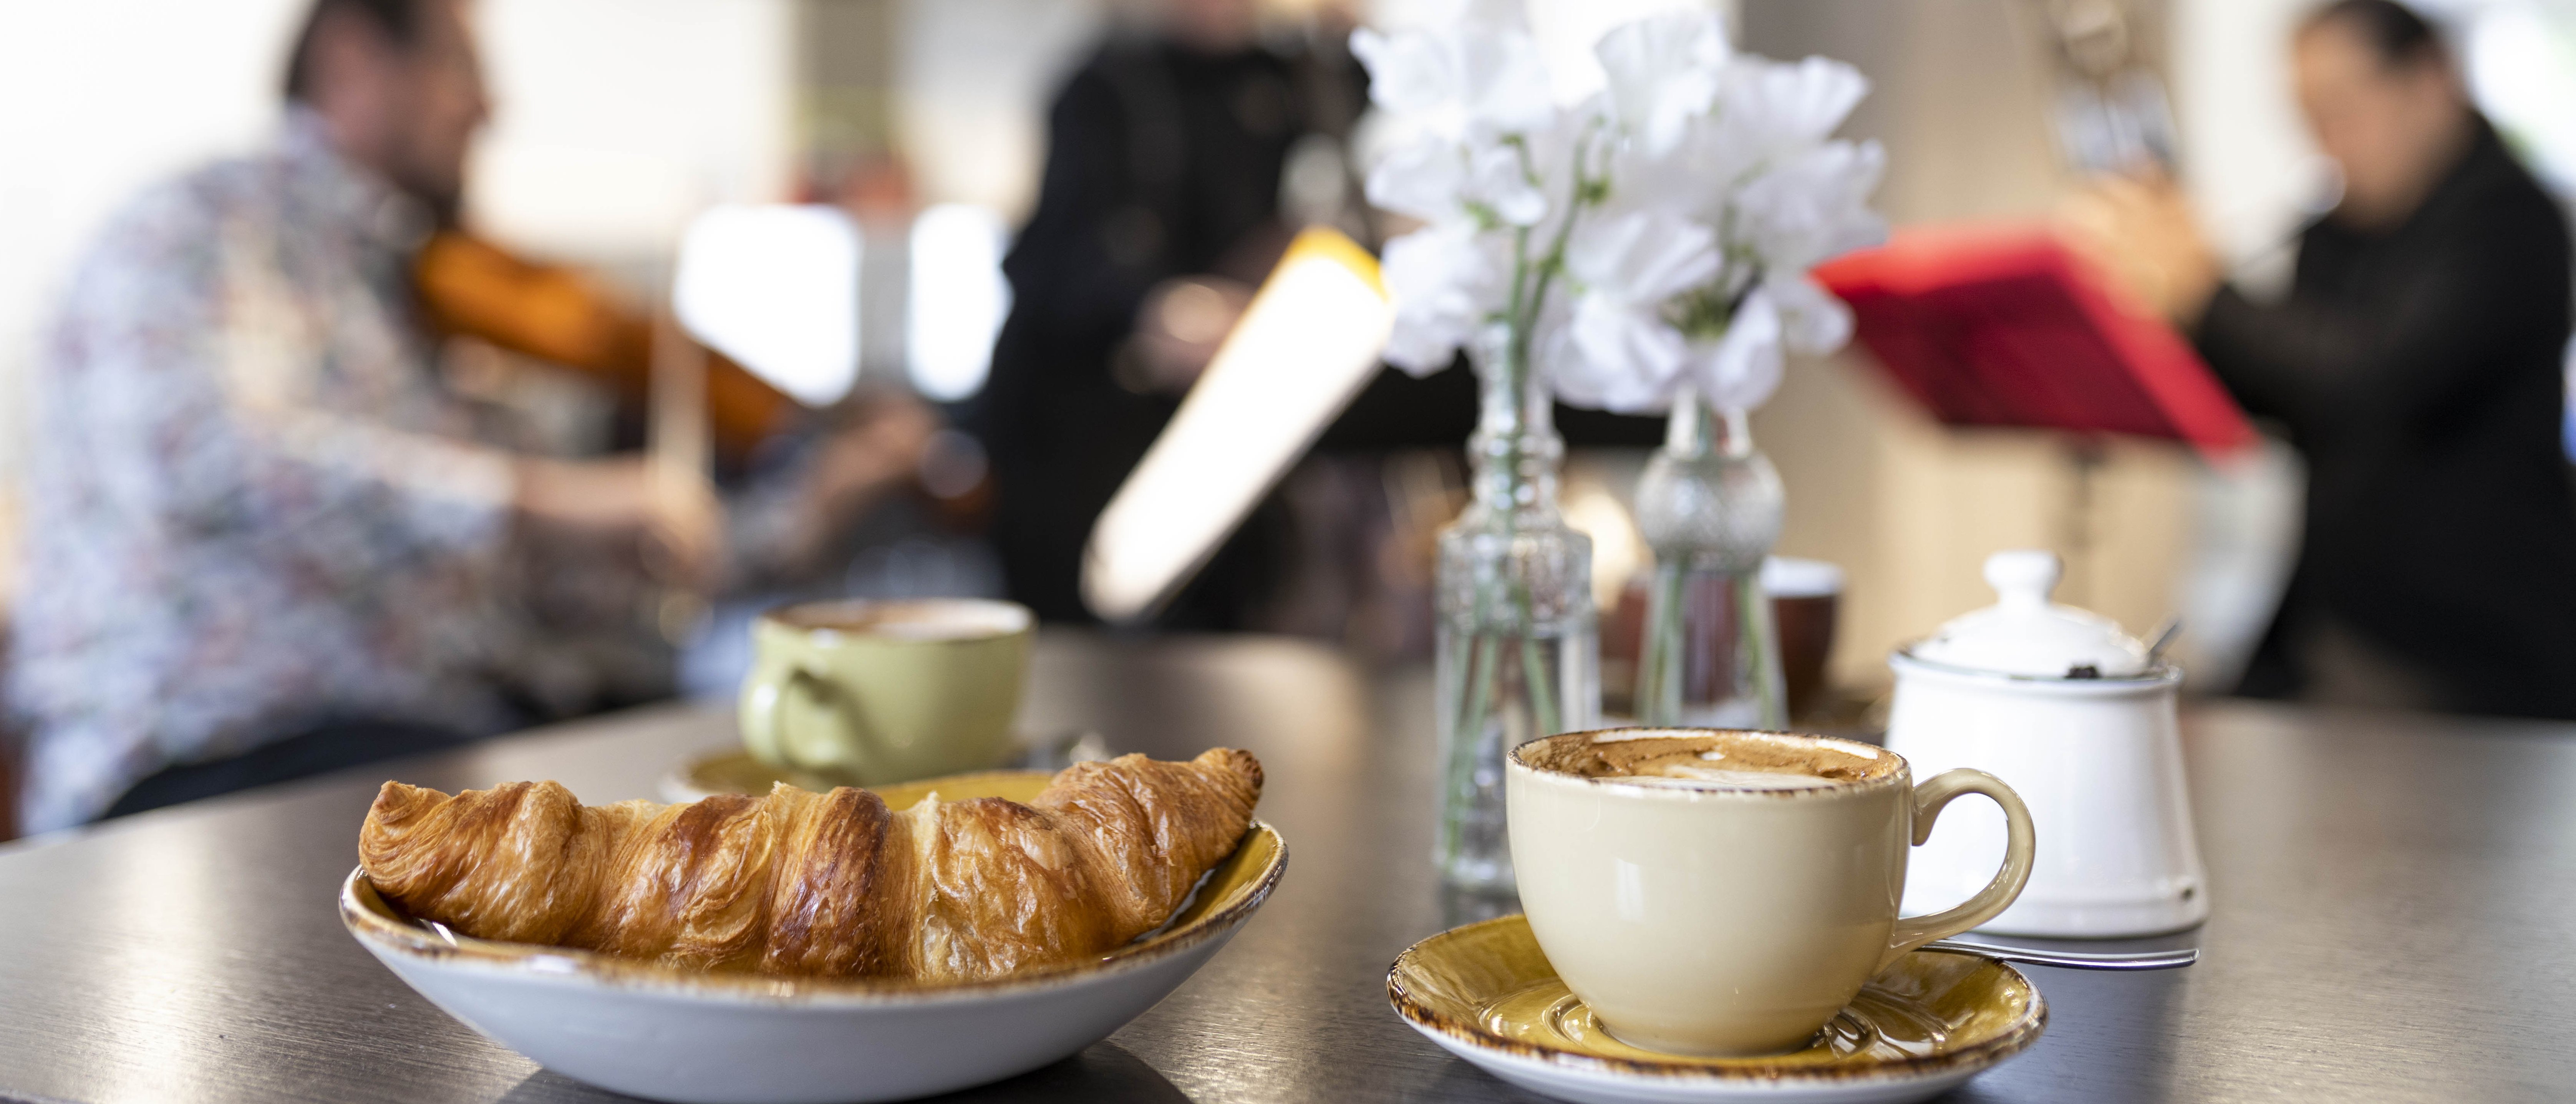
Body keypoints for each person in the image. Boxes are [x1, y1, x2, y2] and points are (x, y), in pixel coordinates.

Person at [8, 0, 925, 833]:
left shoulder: (424, 291)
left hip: (429, 740)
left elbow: (574, 579)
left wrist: (800, 515)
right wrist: (536, 498)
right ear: (355, 58)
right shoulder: (194, 228)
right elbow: (209, 457)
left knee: (747, 796)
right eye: (462, 68)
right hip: (216, 757)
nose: (490, 108)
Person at [2072, 0, 2576, 717]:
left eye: (2343, 107)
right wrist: (2149, 319)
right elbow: (2290, 393)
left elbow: (2373, 379)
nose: (2328, 141)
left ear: (2432, 81)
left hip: (2465, 655)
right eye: (2310, 116)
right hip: (2331, 628)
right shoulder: (2337, 231)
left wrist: (2203, 292)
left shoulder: (2510, 220)